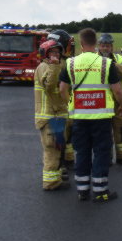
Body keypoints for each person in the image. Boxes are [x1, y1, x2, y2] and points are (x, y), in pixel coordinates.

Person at [59, 28, 122, 202]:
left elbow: (62, 89)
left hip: (80, 118)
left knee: (81, 152)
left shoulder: (71, 63)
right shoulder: (106, 63)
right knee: (102, 152)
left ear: (81, 44)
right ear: (96, 44)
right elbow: (118, 90)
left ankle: (82, 190)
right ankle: (100, 191)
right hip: (102, 117)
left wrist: (70, 104)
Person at [34, 39, 69, 190]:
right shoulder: (44, 67)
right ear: (45, 54)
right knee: (52, 149)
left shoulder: (58, 66)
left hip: (58, 116)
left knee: (59, 147)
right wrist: (55, 66)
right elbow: (49, 86)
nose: (56, 55)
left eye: (58, 52)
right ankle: (51, 183)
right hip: (50, 118)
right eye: (52, 52)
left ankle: (57, 177)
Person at [98, 33, 122, 165]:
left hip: (117, 100)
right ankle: (106, 158)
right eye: (103, 45)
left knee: (121, 129)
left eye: (108, 46)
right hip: (101, 101)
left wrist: (111, 64)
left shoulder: (118, 58)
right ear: (99, 46)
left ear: (112, 46)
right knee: (104, 132)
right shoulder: (94, 59)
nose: (105, 48)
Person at [47, 29, 75, 167]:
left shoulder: (47, 64)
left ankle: (66, 161)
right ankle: (63, 164)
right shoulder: (63, 64)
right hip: (62, 107)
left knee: (65, 136)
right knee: (63, 137)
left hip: (55, 108)